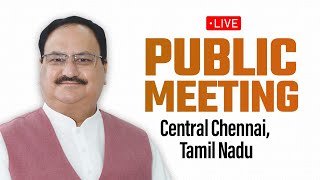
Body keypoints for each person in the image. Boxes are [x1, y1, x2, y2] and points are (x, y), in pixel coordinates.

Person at [0, 16, 170, 180]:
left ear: (105, 68)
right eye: (57, 59)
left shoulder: (141, 144)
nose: (70, 72)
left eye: (83, 59)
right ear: (41, 67)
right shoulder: (4, 143)